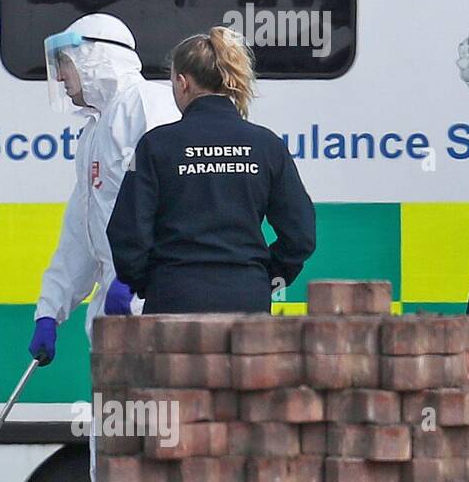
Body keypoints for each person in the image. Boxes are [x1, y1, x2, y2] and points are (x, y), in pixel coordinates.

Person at [107, 27, 316, 314]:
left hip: (173, 295)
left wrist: (148, 282)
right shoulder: (267, 145)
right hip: (248, 297)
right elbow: (301, 235)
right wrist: (264, 278)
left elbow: (127, 232)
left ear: (183, 83)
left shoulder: (156, 145)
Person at [28, 13, 180, 365]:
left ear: (95, 59)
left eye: (66, 64)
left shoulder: (147, 107)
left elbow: (176, 204)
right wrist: (50, 310)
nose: (62, 76)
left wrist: (136, 277)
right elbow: (81, 232)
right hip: (116, 312)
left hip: (154, 304)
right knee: (117, 417)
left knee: (156, 414)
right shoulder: (94, 132)